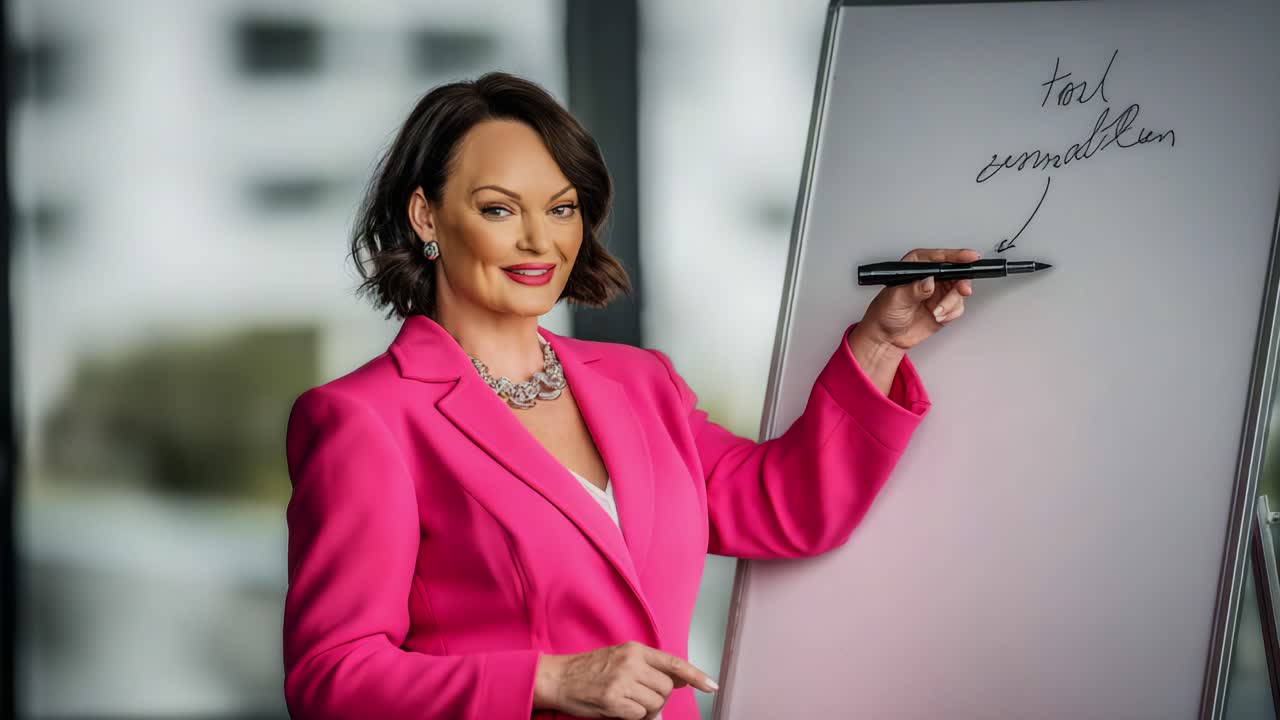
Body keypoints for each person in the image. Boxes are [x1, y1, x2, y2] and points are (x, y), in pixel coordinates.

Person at [281, 71, 976, 720]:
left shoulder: (640, 383)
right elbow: (330, 675)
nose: (538, 240)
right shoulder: (363, 418)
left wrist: (882, 342)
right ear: (427, 217)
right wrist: (546, 680)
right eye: (498, 208)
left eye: (561, 208)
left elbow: (785, 506)